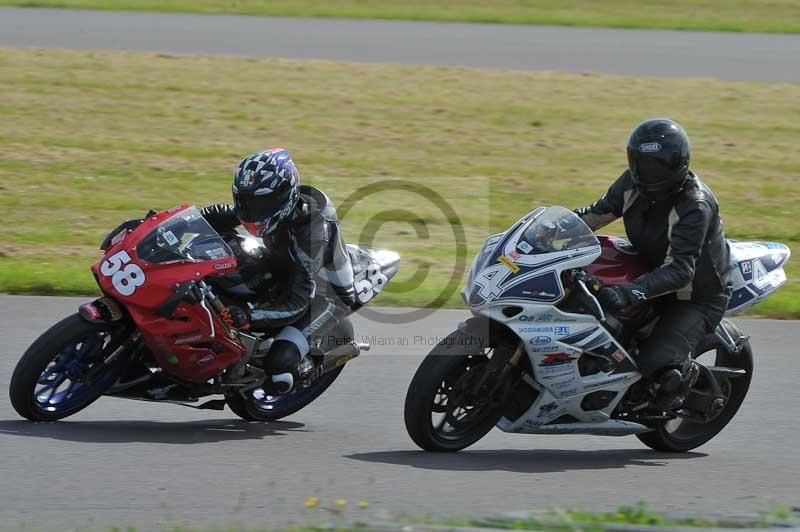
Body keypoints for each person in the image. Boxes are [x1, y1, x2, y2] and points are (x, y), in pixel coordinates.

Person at [575, 119, 732, 409]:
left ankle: (684, 382)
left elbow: (681, 270)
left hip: (693, 295)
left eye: (656, 165)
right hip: (647, 270)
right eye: (640, 163)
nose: (646, 173)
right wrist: (550, 230)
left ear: (676, 164)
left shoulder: (694, 206)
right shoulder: (630, 184)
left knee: (652, 363)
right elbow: (595, 216)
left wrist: (628, 291)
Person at [201, 148, 356, 394]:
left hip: (323, 295)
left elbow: (298, 301)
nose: (250, 212)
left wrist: (249, 317)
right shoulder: (269, 209)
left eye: (258, 204)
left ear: (284, 195)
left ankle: (307, 367)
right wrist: (173, 221)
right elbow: (222, 215)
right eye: (245, 201)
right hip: (283, 268)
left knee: (279, 369)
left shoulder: (310, 236)